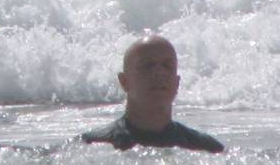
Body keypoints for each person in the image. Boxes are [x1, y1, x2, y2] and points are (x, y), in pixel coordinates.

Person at [82, 34, 224, 153]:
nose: (159, 73)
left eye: (167, 66)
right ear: (124, 82)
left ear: (177, 82)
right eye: (147, 66)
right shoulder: (93, 146)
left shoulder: (207, 149)